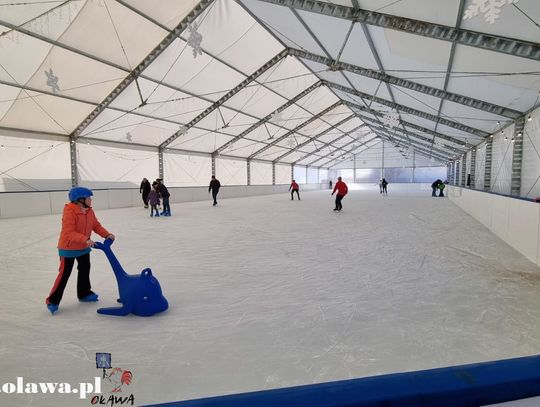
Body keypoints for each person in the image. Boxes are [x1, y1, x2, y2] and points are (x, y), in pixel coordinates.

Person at [45, 187, 115, 314]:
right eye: (89, 198)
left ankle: (84, 293)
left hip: (83, 247)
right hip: (68, 248)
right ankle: (53, 300)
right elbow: (68, 233)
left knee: (84, 269)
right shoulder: (69, 211)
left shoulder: (89, 211)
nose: (91, 200)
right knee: (64, 274)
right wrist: (85, 239)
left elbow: (96, 226)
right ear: (80, 200)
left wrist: (106, 235)